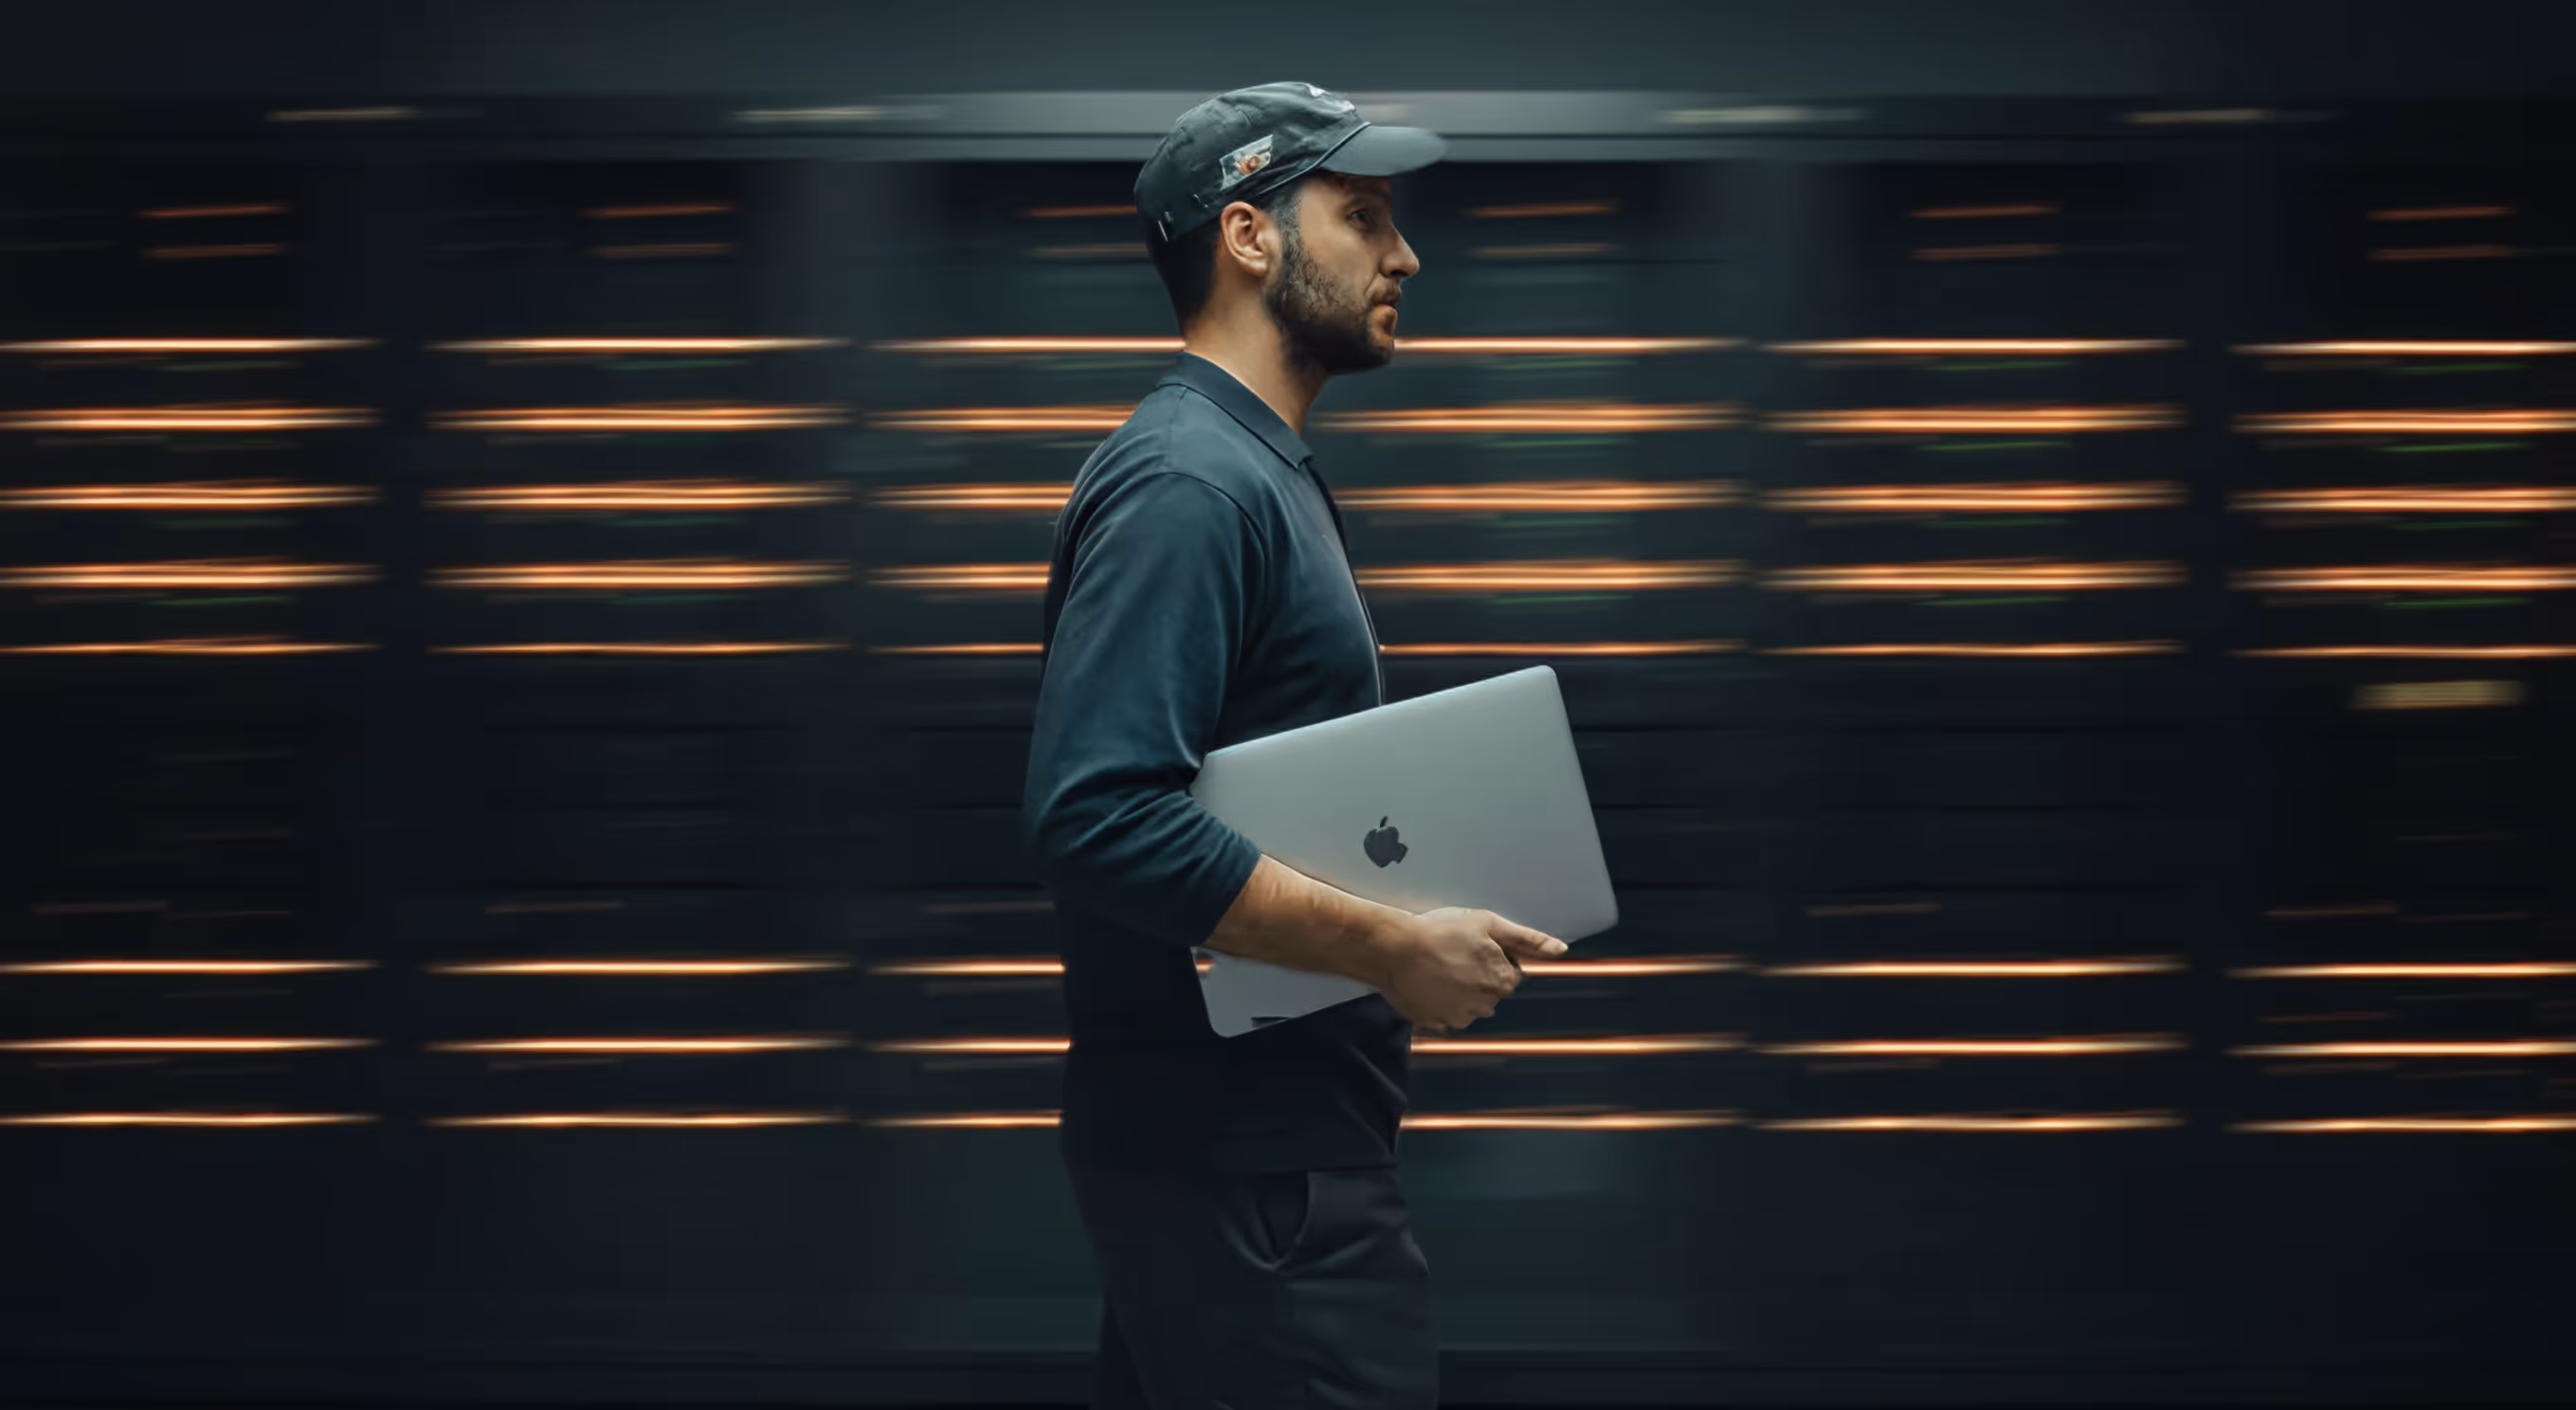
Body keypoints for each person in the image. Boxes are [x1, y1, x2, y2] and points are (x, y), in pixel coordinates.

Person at [1019, 82, 1567, 1410]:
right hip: (1248, 1183)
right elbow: (1097, 813)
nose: (1404, 255)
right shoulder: (1191, 484)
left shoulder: (1251, 472)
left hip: (1245, 1164)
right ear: (1250, 237)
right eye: (1363, 217)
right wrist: (1389, 946)